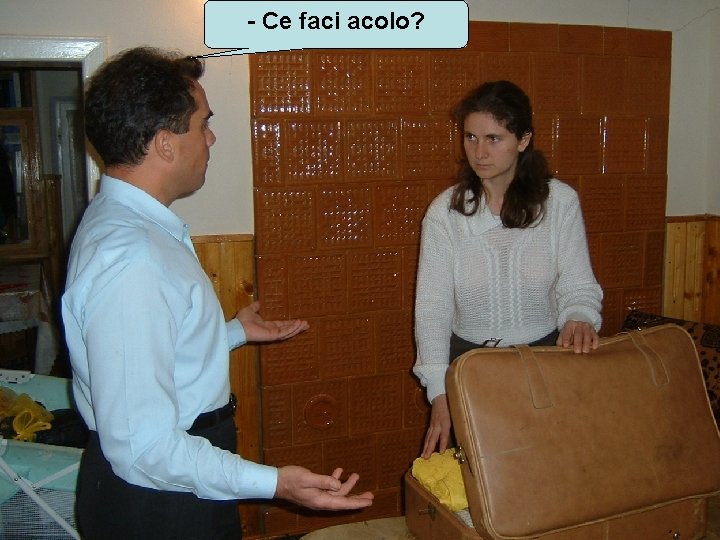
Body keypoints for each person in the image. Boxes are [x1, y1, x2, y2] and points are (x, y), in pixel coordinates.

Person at [61, 46, 373, 540]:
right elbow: (144, 448)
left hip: (173, 480)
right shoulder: (132, 258)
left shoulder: (124, 222)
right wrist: (274, 483)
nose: (210, 137)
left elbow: (150, 354)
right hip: (160, 501)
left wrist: (231, 333)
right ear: (165, 144)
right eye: (202, 123)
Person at [413, 80, 603, 460]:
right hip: (470, 369)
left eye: (493, 138)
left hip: (546, 362)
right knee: (481, 485)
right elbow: (432, 310)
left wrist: (580, 316)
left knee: (548, 472)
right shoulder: (445, 214)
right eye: (470, 137)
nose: (479, 152)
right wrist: (439, 392)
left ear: (523, 139)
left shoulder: (560, 202)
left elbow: (578, 285)